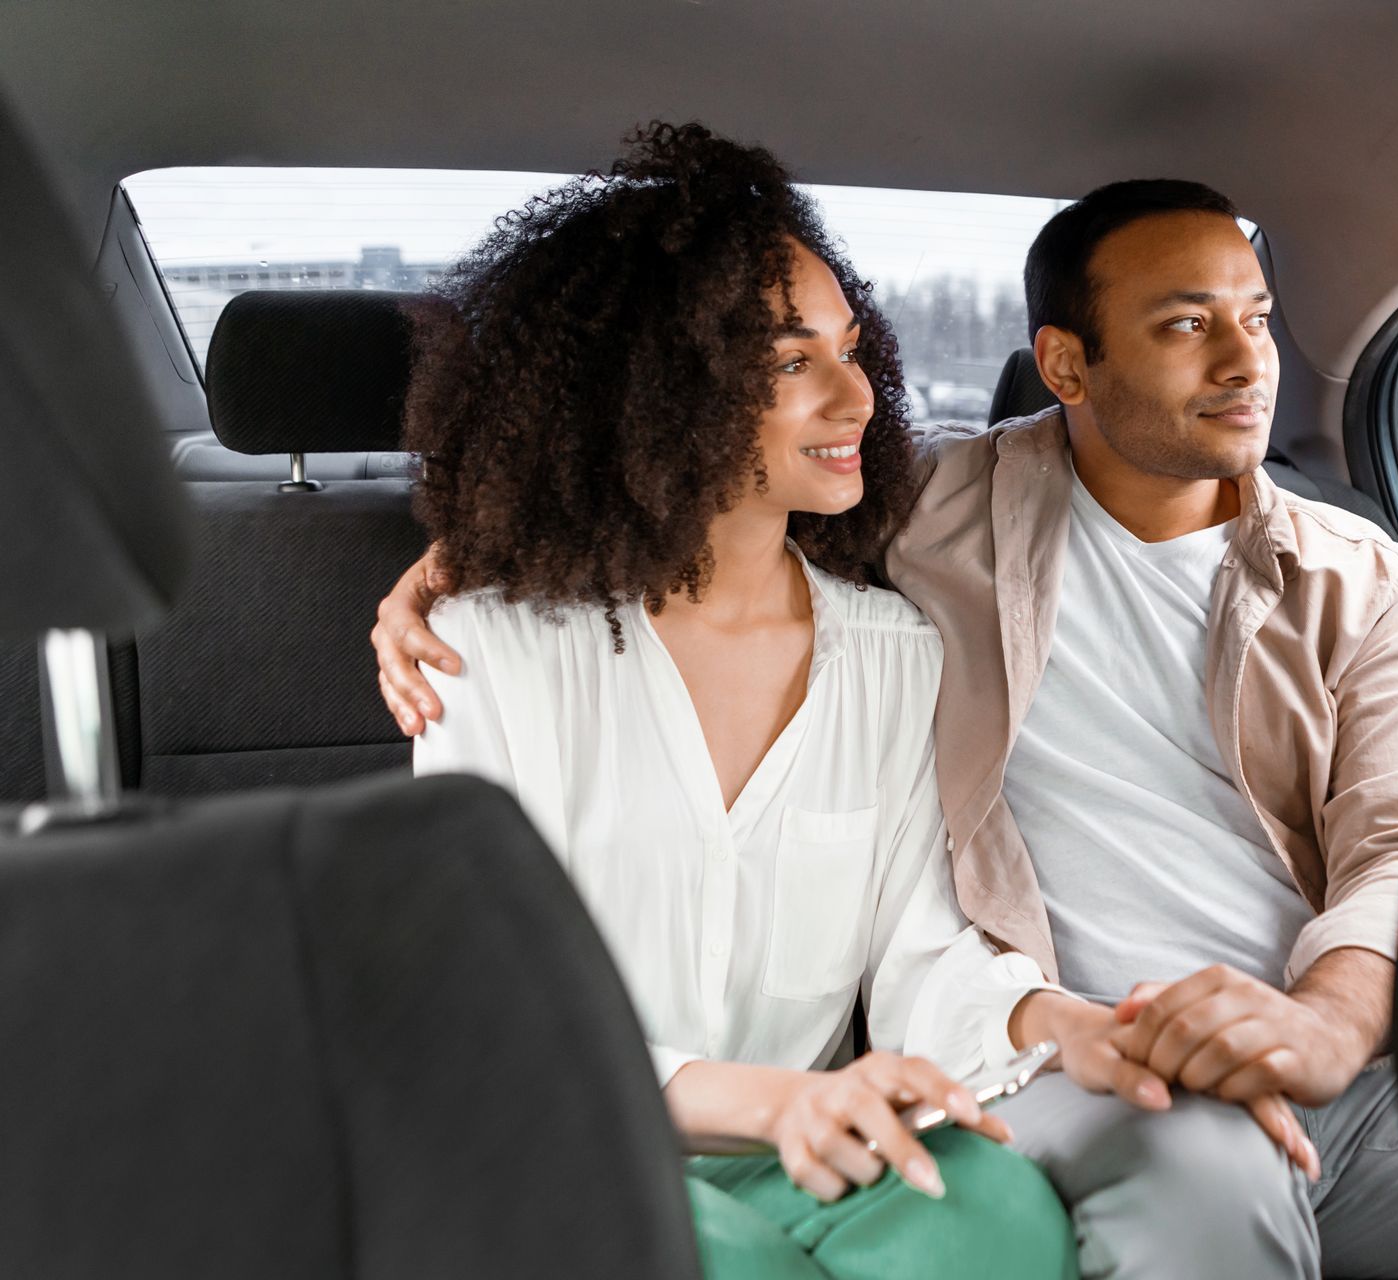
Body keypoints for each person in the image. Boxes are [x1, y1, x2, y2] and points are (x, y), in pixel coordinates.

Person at [379, 174, 1398, 1277]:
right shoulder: (939, 505)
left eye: (1258, 318)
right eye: (1188, 322)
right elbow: (472, 1003)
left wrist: (1287, 1027)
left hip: (1287, 1060)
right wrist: (471, 561)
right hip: (610, 1130)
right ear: (1065, 364)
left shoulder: (1366, 586)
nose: (1246, 361)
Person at [402, 122, 1075, 1280]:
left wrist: (1065, 1027)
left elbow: (922, 954)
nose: (856, 390)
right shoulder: (485, 651)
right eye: (787, 359)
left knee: (997, 1203)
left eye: (852, 346)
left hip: (801, 1150)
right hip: (563, 1146)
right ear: (658, 390)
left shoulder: (896, 651)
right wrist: (770, 1103)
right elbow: (491, 1014)